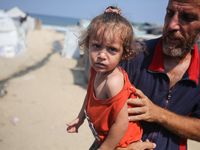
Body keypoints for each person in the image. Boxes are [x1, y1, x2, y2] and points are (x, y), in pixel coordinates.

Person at [115, 0, 200, 149]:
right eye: (169, 13)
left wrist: (157, 114)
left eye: (187, 17)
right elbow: (98, 109)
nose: (171, 25)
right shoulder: (133, 56)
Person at [66, 6, 144, 150]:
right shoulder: (96, 71)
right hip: (106, 140)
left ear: (124, 53)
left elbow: (122, 123)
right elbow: (89, 96)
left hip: (121, 143)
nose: (102, 55)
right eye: (96, 46)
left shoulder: (113, 81)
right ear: (88, 44)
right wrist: (80, 118)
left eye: (112, 49)